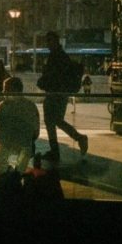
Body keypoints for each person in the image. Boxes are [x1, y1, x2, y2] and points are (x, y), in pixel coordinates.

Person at [38, 30, 88, 161]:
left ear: (56, 41)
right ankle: (75, 140)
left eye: (50, 41)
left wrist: (44, 80)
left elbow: (54, 76)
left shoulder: (56, 56)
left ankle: (59, 149)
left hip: (55, 93)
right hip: (59, 93)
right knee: (55, 121)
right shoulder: (61, 55)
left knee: (51, 121)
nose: (48, 43)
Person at [0, 77, 39, 180]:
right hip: (24, 145)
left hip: (8, 145)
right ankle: (17, 178)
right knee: (21, 162)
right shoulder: (30, 106)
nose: (3, 92)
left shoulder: (2, 106)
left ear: (14, 90)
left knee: (1, 163)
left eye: (6, 89)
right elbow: (36, 132)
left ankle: (1, 182)